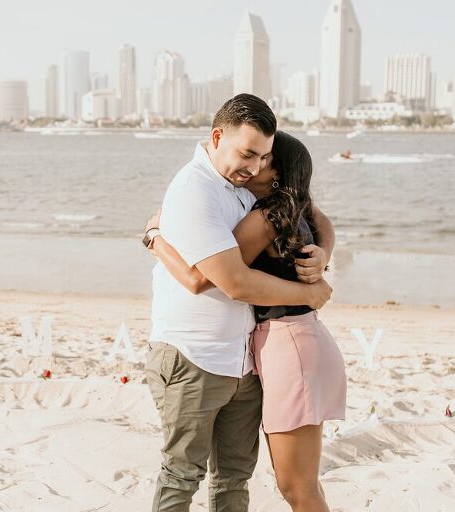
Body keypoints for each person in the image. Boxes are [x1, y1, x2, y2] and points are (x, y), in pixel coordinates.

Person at [142, 93, 334, 512]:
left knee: (234, 478)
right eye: (248, 154)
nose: (254, 167)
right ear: (217, 137)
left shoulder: (245, 189)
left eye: (264, 158)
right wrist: (311, 292)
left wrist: (324, 256)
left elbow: (316, 217)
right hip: (194, 356)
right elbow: (222, 282)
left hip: (242, 360)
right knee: (182, 475)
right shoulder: (197, 190)